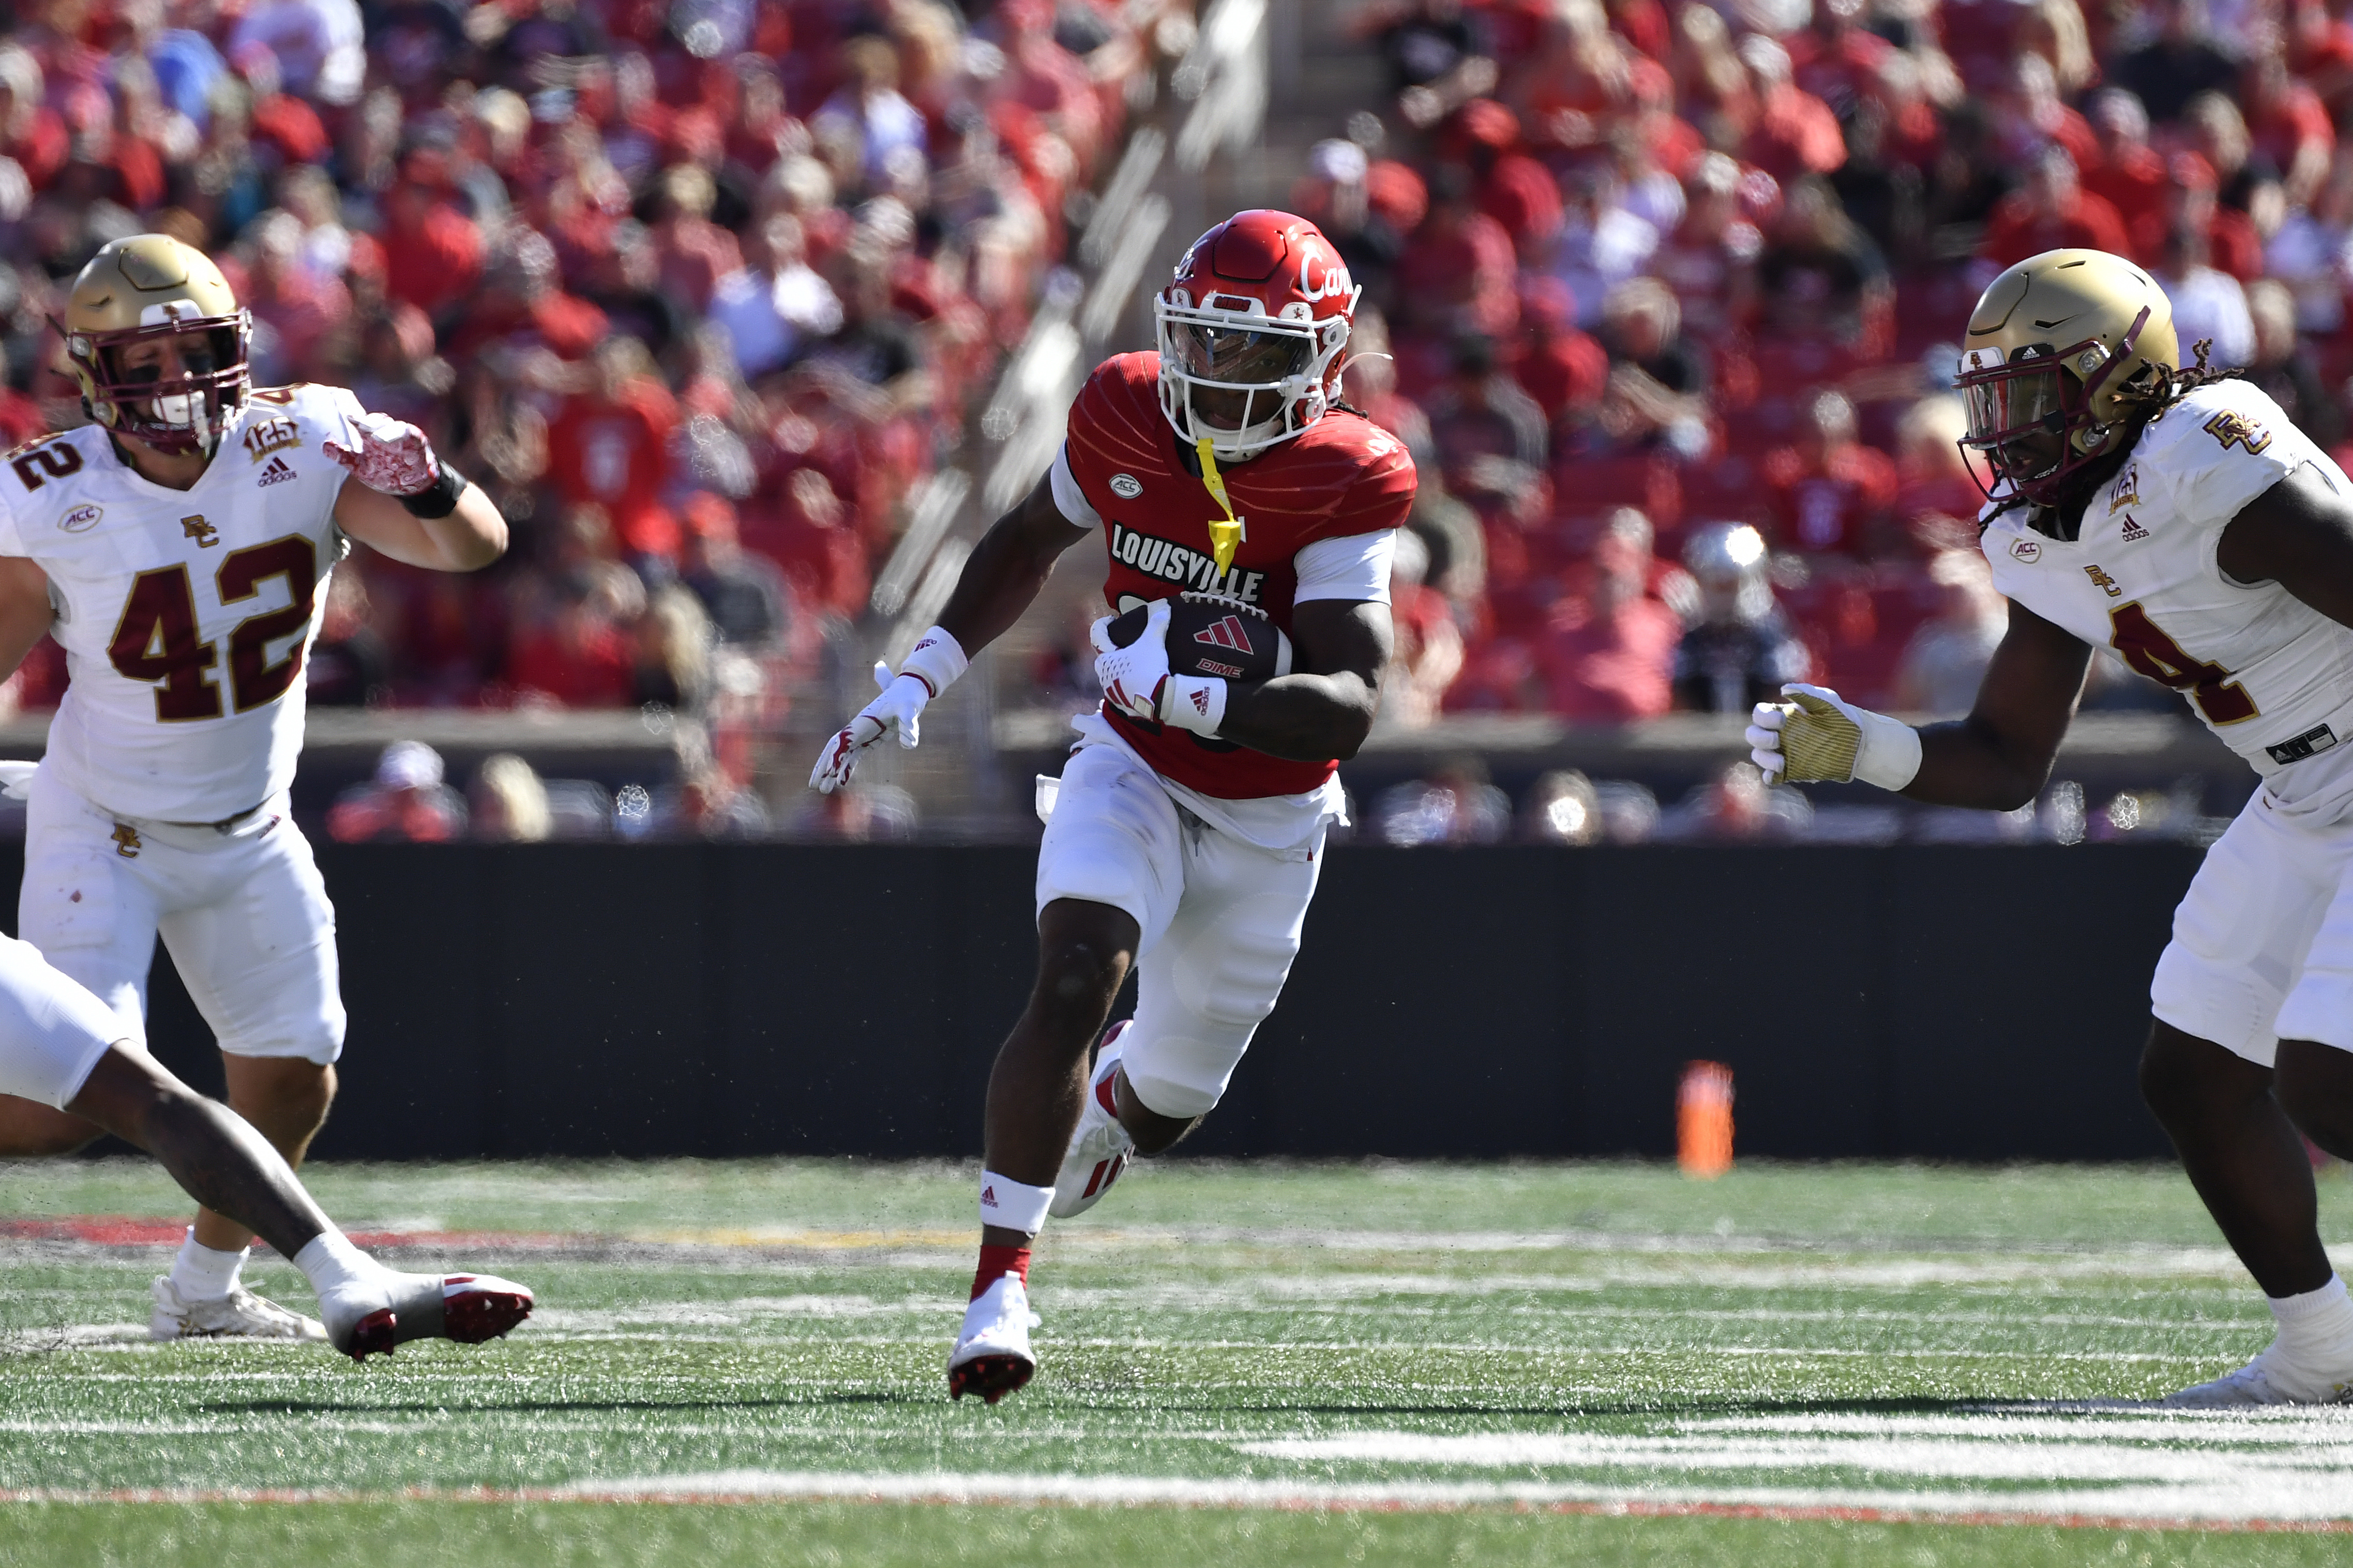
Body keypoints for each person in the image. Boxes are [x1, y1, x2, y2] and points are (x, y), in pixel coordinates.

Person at [808, 210, 1413, 1403]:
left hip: (1271, 815)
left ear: (1323, 361)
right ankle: (999, 1288)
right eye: (1208, 344)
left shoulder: (1349, 472)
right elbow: (1031, 538)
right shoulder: (1126, 406)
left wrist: (1201, 697)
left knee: (1174, 1103)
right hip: (1128, 763)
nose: (1224, 376)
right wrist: (925, 668)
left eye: (1258, 353)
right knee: (1077, 970)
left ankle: (1115, 1105)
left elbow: (1346, 702)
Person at [1750, 247, 2353, 1406]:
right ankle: (2324, 1353)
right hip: (2299, 796)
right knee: (2192, 1077)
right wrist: (1867, 747)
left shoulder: (2201, 452)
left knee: (2328, 1077)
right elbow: (2008, 758)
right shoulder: (2039, 529)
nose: (2005, 430)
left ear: (2125, 380)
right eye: (1992, 400)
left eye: (2031, 394)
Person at [0, 235, 508, 1342]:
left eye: (198, 350)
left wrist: (425, 478)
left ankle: (203, 1293)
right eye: (145, 360)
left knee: (293, 1085)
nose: (178, 382)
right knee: (56, 1108)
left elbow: (472, 549)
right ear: (94, 376)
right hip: (106, 825)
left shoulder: (306, 437)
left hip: (250, 822)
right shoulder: (47, 498)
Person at [0, 924, 531, 1356]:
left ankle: (336, 1274)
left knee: (145, 1096)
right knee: (142, 1099)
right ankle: (341, 1276)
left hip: (248, 828)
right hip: (101, 834)